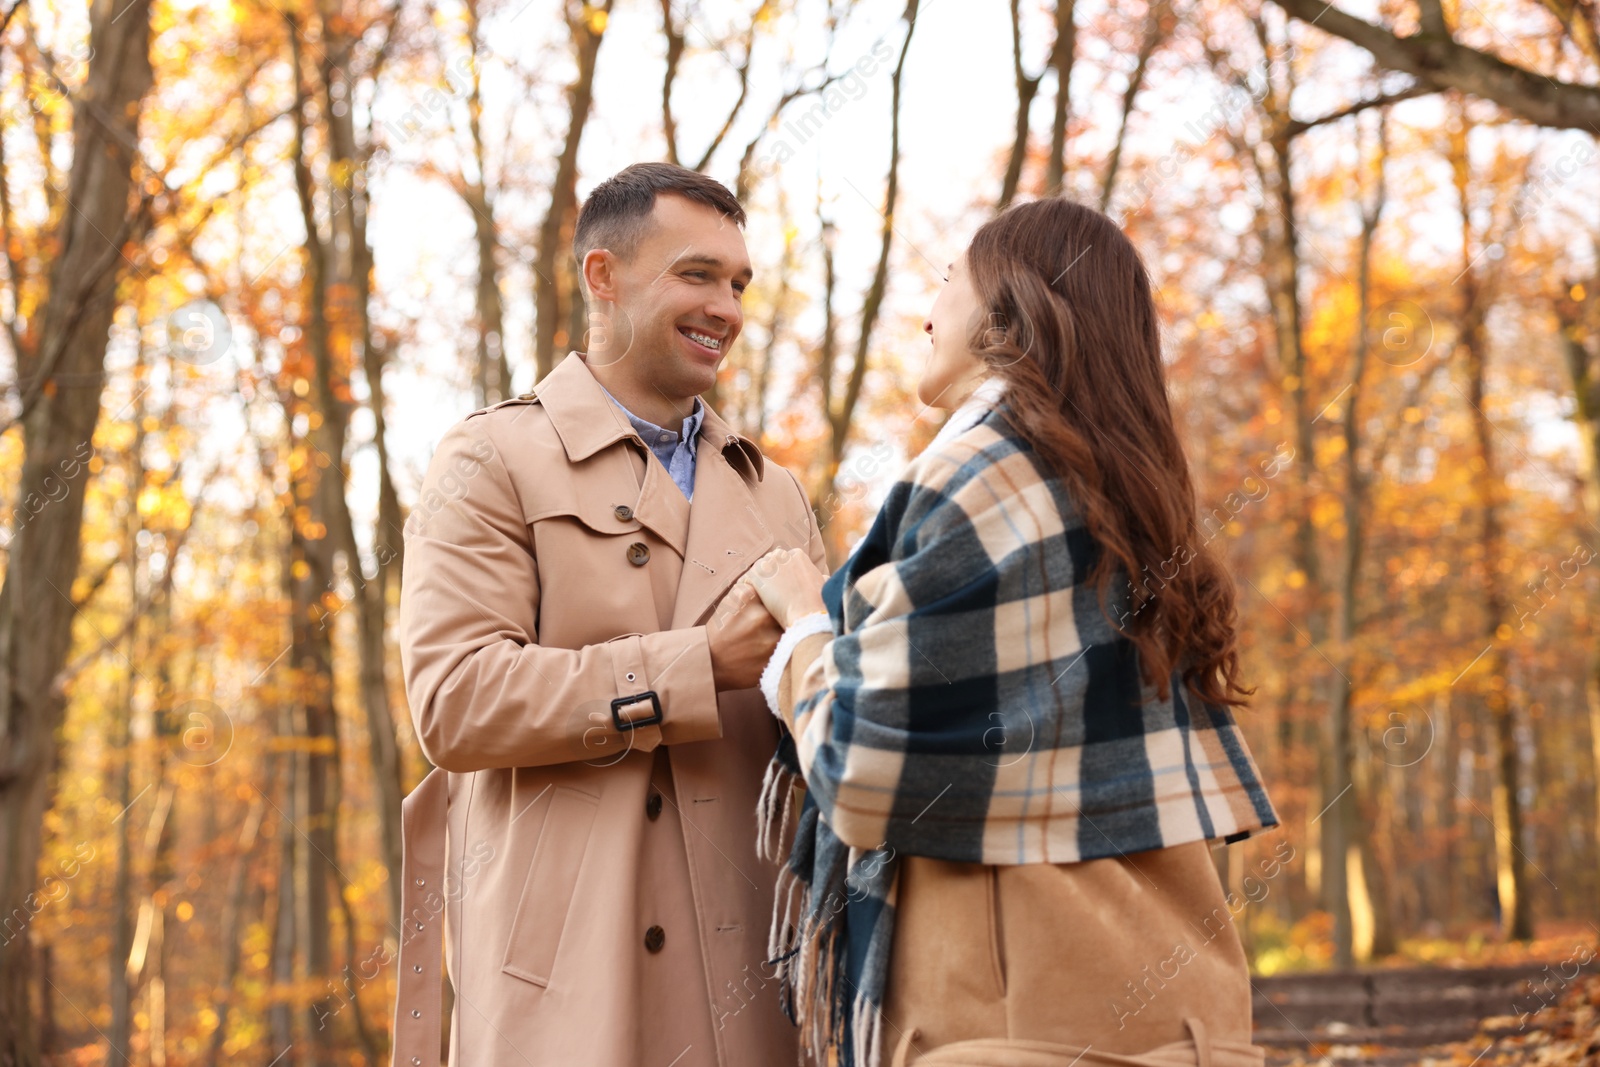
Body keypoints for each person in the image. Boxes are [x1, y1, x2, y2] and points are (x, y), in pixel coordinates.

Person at [740, 197, 1283, 1067]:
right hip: (1173, 1013)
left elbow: (859, 771)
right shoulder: (1125, 494)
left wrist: (807, 625)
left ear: (1008, 307)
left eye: (949, 279)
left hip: (1021, 1021)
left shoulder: (978, 474)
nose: (927, 308)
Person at [390, 162, 825, 1067]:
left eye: (739, 283)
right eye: (697, 275)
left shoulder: (777, 493)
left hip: (752, 980)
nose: (728, 309)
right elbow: (455, 701)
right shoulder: (491, 456)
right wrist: (693, 666)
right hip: (565, 995)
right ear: (604, 277)